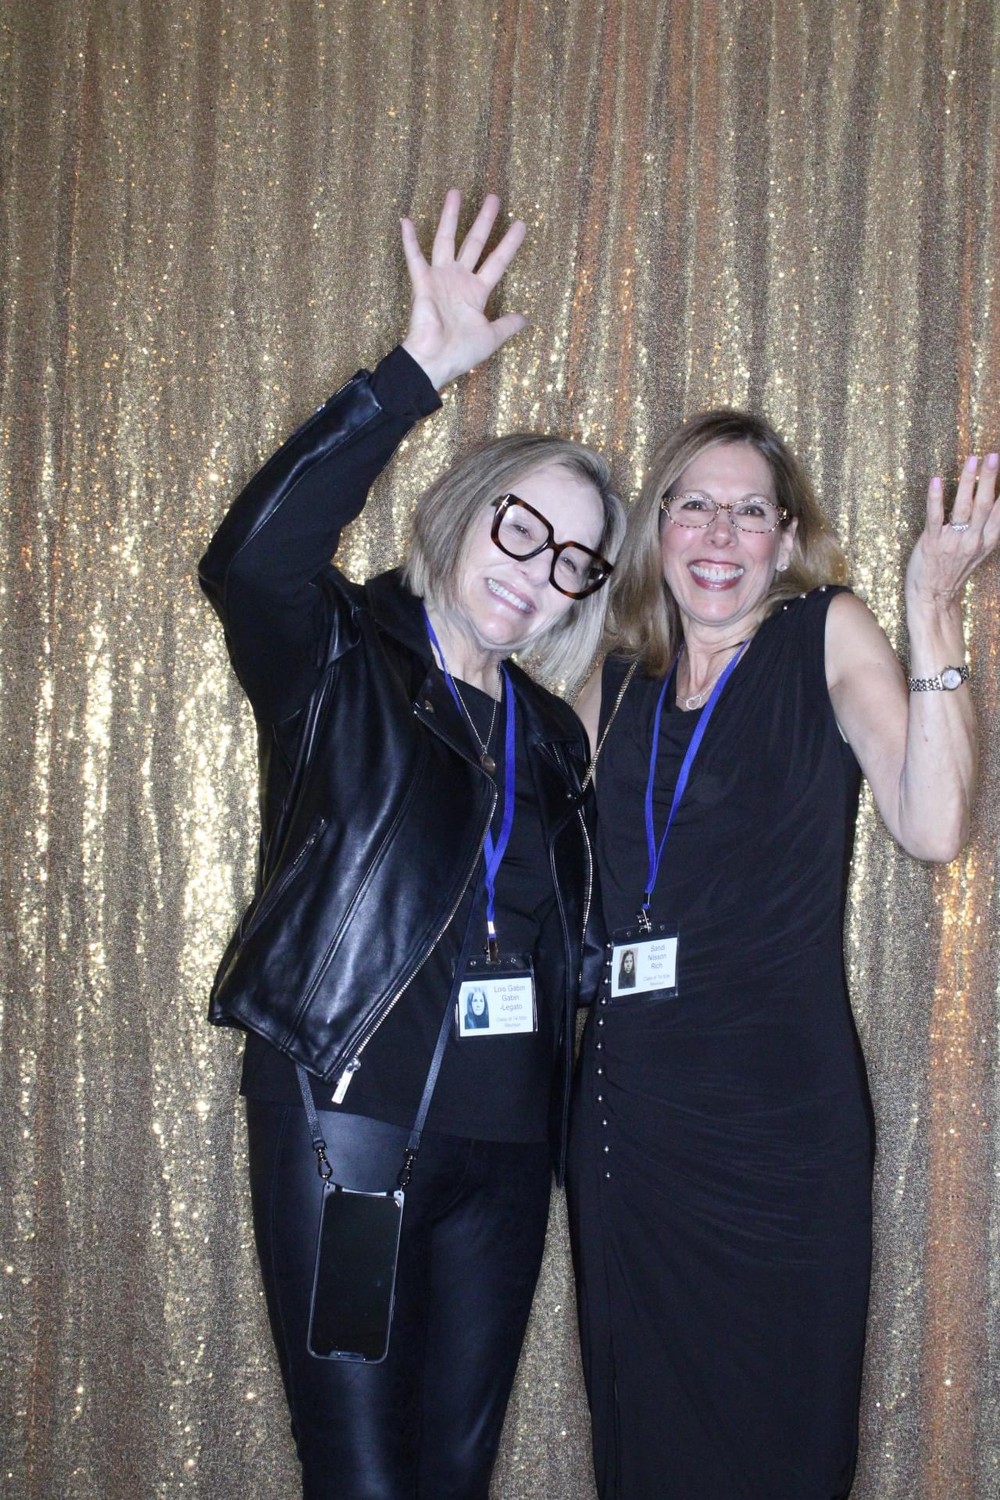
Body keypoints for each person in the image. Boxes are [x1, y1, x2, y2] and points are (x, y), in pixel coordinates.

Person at [199, 190, 624, 1499]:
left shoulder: (550, 737)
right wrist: (413, 372)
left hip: (505, 1156)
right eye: (521, 529)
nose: (537, 572)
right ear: (464, 509)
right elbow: (251, 563)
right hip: (353, 1131)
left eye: (572, 561)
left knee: (453, 1475)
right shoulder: (342, 659)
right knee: (367, 1479)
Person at [567, 407, 999, 1499]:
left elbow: (934, 826)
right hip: (630, 1123)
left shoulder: (825, 632)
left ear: (786, 537)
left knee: (784, 1439)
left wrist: (933, 609)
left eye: (750, 512)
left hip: (777, 1124)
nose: (720, 534)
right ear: (658, 528)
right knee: (646, 1443)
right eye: (695, 507)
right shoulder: (610, 681)